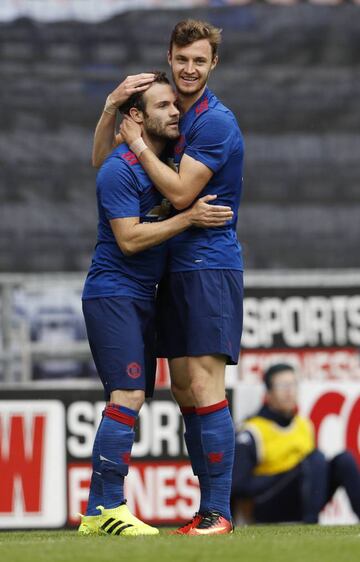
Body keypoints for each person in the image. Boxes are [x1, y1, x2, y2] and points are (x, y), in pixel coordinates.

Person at [92, 19, 244, 536]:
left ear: (213, 64)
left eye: (199, 60)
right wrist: (113, 109)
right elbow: (101, 164)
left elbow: (181, 196)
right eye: (182, 58)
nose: (189, 68)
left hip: (208, 265)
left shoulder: (212, 122)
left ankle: (219, 511)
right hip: (174, 269)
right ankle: (206, 510)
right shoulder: (173, 122)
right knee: (183, 388)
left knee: (204, 384)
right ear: (171, 56)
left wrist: (135, 144)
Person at [231, 363, 360, 524]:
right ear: (269, 394)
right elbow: (238, 485)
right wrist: (284, 475)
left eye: (293, 385)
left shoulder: (303, 424)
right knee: (315, 459)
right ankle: (311, 522)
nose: (289, 391)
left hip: (302, 498)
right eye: (282, 386)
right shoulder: (252, 431)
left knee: (344, 460)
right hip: (268, 504)